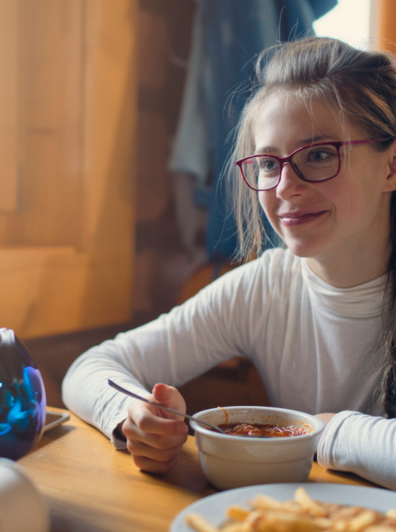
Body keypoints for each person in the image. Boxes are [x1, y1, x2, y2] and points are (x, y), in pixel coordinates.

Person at [62, 37, 396, 489]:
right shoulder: (265, 287)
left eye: (318, 155)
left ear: (391, 167)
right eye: (267, 164)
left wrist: (331, 430)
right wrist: (134, 416)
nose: (284, 187)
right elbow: (92, 366)